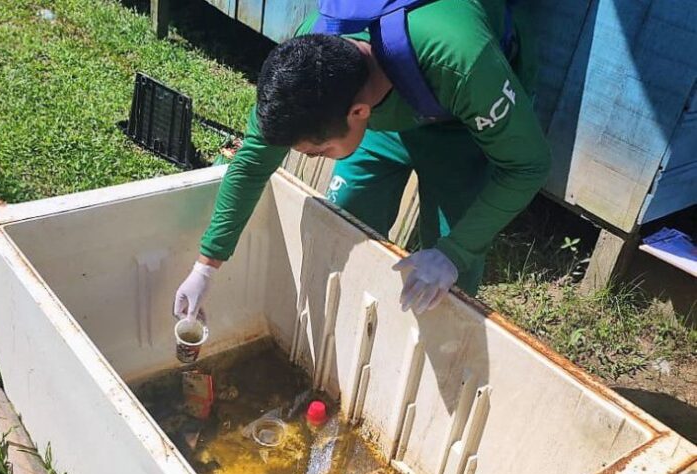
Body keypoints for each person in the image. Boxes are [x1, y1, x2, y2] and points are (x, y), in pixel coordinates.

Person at [174, 0, 551, 320]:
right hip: (388, 108)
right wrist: (207, 265)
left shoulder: (463, 62)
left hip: (460, 119)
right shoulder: (308, 61)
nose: (317, 158)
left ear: (357, 113)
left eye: (318, 152)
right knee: (346, 219)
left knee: (447, 279)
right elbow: (253, 162)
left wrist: (455, 253)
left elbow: (527, 166)